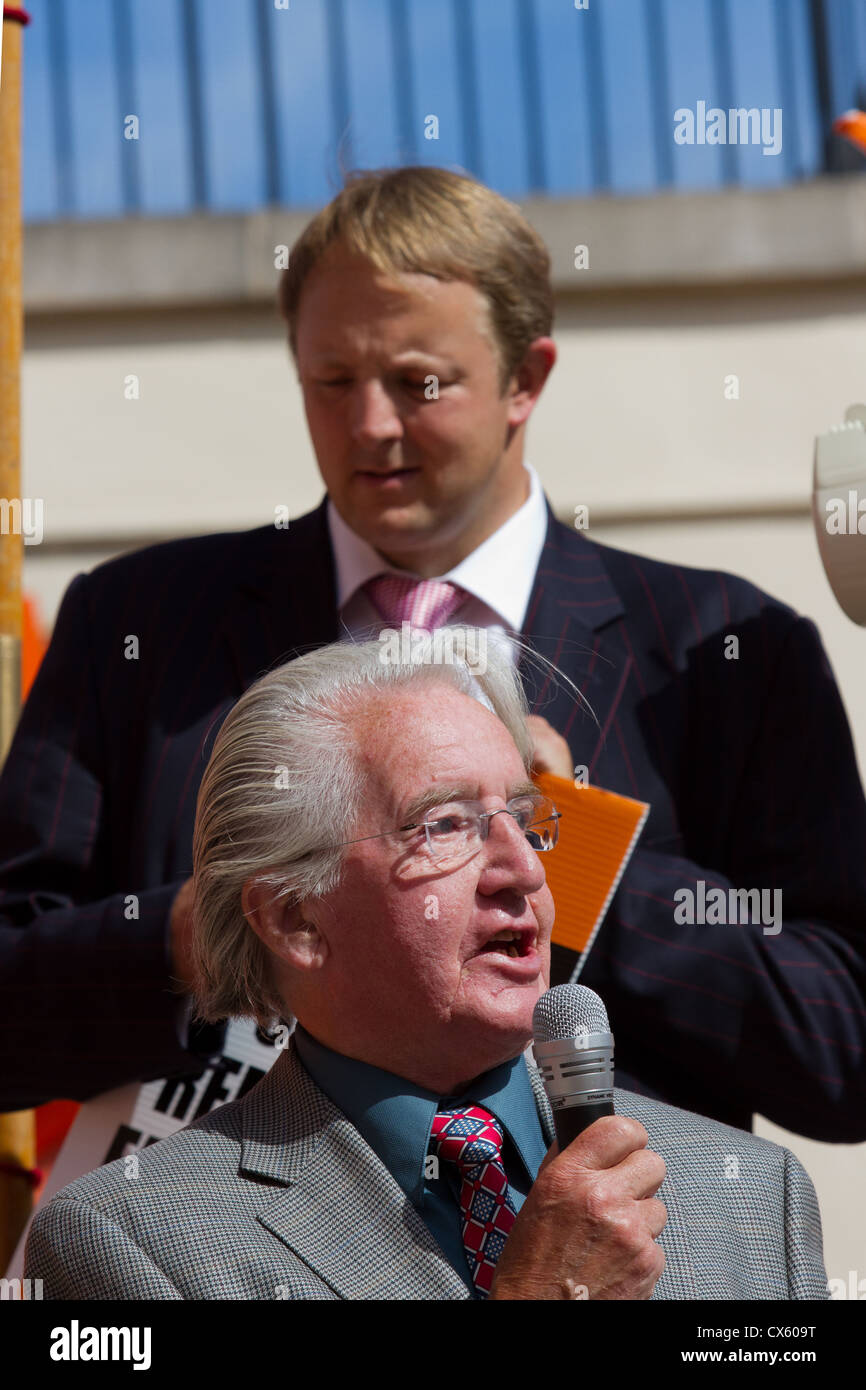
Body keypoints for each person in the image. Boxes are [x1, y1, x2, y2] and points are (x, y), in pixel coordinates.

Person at [1, 166, 864, 1142]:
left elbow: (841, 1043)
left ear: (525, 379)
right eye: (331, 382)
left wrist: (570, 855)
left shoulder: (727, 651)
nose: (370, 425)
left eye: (419, 383)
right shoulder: (140, 624)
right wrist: (200, 940)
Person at [23, 637, 828, 1300]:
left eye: (521, 817)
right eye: (443, 826)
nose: (523, 870)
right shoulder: (132, 1242)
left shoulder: (753, 1197)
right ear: (295, 918)